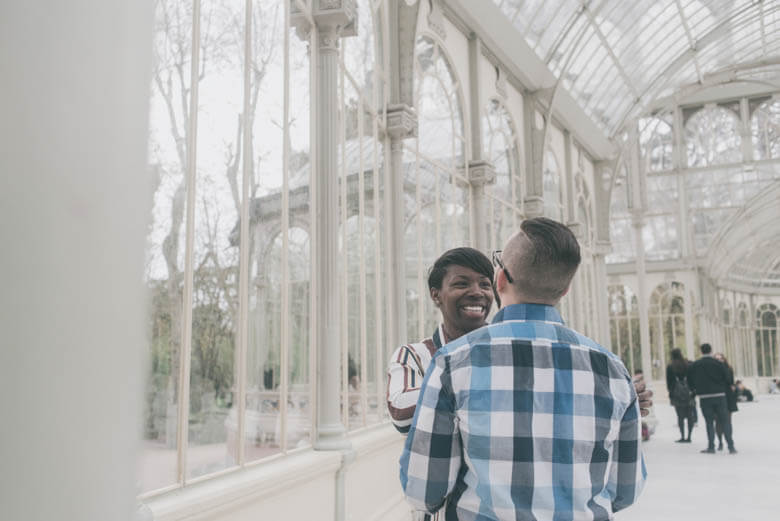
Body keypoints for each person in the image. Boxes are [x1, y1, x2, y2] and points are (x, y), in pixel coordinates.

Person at [399, 218, 646, 521]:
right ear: (566, 289)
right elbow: (626, 489)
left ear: (500, 280)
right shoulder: (611, 370)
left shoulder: (453, 362)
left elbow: (423, 490)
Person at [688, 343, 736, 454]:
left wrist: (695, 389)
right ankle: (731, 446)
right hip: (720, 396)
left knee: (709, 422)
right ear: (711, 350)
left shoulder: (696, 365)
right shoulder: (718, 364)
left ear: (701, 351)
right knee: (725, 421)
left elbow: (689, 379)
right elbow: (728, 378)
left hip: (705, 397)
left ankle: (711, 447)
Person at [666, 348, 695, 443]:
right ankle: (689, 436)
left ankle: (682, 436)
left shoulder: (670, 367)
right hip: (689, 393)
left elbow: (669, 383)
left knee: (680, 416)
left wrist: (671, 393)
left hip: (676, 394)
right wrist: (693, 392)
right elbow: (692, 379)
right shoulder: (688, 364)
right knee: (690, 415)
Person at [713, 352, 737, 451]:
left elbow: (730, 382)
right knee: (718, 421)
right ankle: (720, 442)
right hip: (716, 397)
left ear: (724, 360)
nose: (719, 361)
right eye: (717, 359)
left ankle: (730, 442)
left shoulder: (728, 369)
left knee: (728, 421)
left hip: (728, 397)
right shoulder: (711, 371)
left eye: (721, 359)